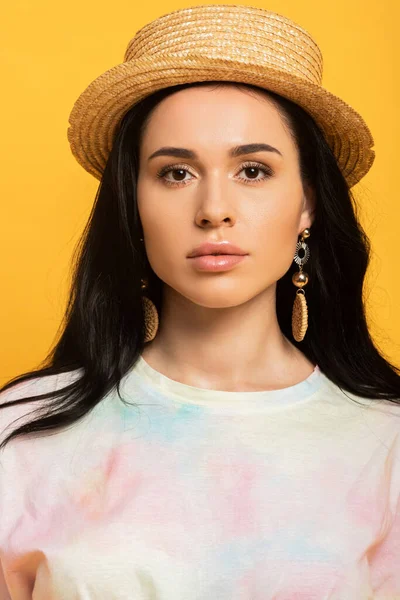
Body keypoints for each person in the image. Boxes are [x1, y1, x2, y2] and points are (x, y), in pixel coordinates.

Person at [1, 3, 399, 598]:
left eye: (254, 171)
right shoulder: (24, 433)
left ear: (308, 205)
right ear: (131, 206)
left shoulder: (386, 442)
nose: (215, 209)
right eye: (176, 174)